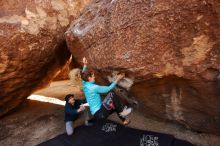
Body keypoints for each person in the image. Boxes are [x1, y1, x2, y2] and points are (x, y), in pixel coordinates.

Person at [81, 57, 132, 125]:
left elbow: (83, 74)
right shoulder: (94, 87)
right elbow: (109, 88)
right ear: (89, 78)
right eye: (93, 76)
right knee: (112, 95)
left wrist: (85, 65)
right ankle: (123, 114)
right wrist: (118, 79)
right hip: (100, 114)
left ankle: (124, 120)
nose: (94, 77)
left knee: (116, 104)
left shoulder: (84, 83)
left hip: (97, 115)